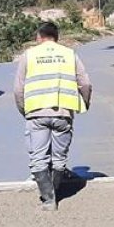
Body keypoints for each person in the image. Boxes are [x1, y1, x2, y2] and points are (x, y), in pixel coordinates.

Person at [14, 22, 92, 210]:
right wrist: (84, 103)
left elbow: (18, 89)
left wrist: (24, 110)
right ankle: (56, 193)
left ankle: (48, 200)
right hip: (63, 112)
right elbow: (86, 83)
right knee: (59, 158)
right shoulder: (69, 54)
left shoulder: (28, 55)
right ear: (57, 37)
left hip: (36, 113)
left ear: (38, 37)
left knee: (38, 158)